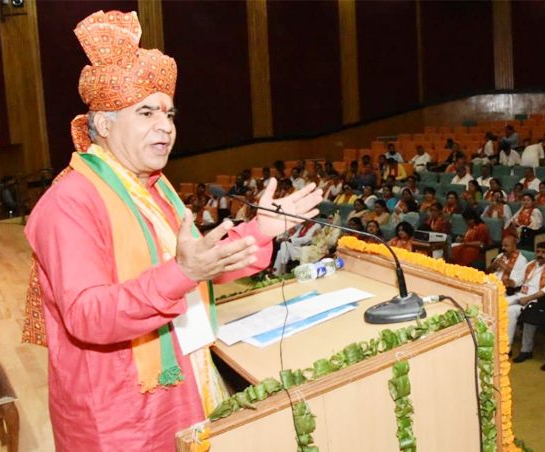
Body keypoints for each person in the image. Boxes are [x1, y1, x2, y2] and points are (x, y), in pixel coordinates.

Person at [23, 11, 325, 450]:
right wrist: (183, 273)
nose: (165, 126)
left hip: (183, 381)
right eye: (146, 112)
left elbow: (195, 268)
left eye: (168, 113)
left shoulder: (155, 188)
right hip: (118, 411)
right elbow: (89, 313)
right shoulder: (70, 202)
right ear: (103, 124)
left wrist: (260, 230)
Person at [505, 242, 545, 352]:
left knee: (510, 311)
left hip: (537, 300)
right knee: (500, 304)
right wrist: (511, 282)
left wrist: (528, 298)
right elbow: (520, 279)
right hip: (521, 296)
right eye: (538, 252)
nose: (540, 255)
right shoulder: (531, 264)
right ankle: (504, 345)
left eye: (544, 252)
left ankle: (508, 348)